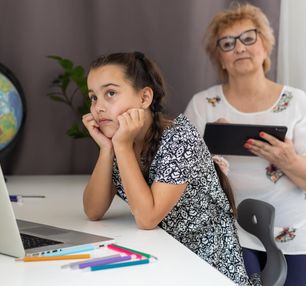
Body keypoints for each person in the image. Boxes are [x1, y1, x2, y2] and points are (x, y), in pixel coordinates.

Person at [185, 2, 306, 286]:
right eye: (227, 43)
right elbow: (179, 177)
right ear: (220, 59)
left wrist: (289, 159)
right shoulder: (203, 105)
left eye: (248, 38)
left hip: (292, 235)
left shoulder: (296, 103)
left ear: (265, 46)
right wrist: (206, 156)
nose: (239, 48)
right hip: (228, 232)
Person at [82, 51, 257, 285]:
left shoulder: (179, 138)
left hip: (206, 266)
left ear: (144, 98)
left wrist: (120, 146)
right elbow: (93, 210)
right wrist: (107, 149)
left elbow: (147, 218)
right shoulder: (124, 139)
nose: (98, 107)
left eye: (110, 93)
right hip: (164, 256)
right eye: (93, 97)